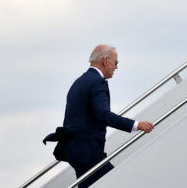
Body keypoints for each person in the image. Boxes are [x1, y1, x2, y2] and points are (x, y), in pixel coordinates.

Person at [62, 44, 154, 188]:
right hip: (88, 152)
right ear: (106, 61)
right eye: (116, 62)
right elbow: (104, 114)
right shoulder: (97, 82)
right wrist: (136, 125)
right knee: (114, 182)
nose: (116, 67)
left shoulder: (79, 82)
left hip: (76, 150)